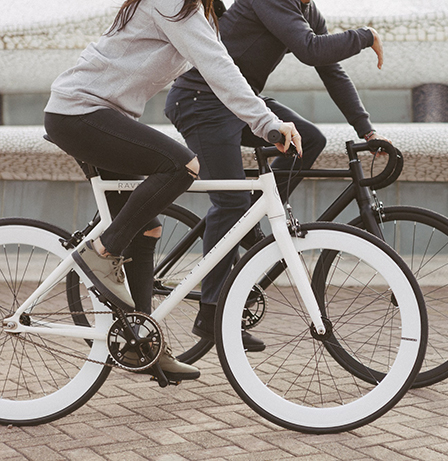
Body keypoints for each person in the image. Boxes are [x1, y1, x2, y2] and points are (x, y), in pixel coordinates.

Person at [43, 0, 302, 381]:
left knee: (147, 229)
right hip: (81, 111)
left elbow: (219, 66)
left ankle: (143, 343)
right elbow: (219, 67)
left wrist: (260, 122)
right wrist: (268, 124)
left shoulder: (196, 11)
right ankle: (102, 252)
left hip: (100, 115)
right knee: (183, 165)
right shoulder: (172, 4)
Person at [165, 0, 389, 351]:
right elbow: (310, 49)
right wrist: (367, 35)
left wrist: (367, 130)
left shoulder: (306, 8)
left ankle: (250, 215)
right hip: (202, 101)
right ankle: (211, 314)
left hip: (240, 102)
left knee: (310, 140)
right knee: (229, 202)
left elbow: (331, 69)